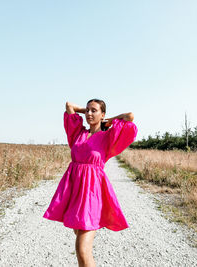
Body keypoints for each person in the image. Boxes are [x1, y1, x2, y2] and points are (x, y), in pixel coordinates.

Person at [43, 99, 138, 267]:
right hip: (73, 191)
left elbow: (129, 116)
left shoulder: (108, 136)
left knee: (82, 249)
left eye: (94, 110)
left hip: (92, 193)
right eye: (87, 110)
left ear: (102, 114)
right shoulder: (78, 133)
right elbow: (69, 106)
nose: (88, 114)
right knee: (83, 246)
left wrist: (106, 121)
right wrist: (87, 111)